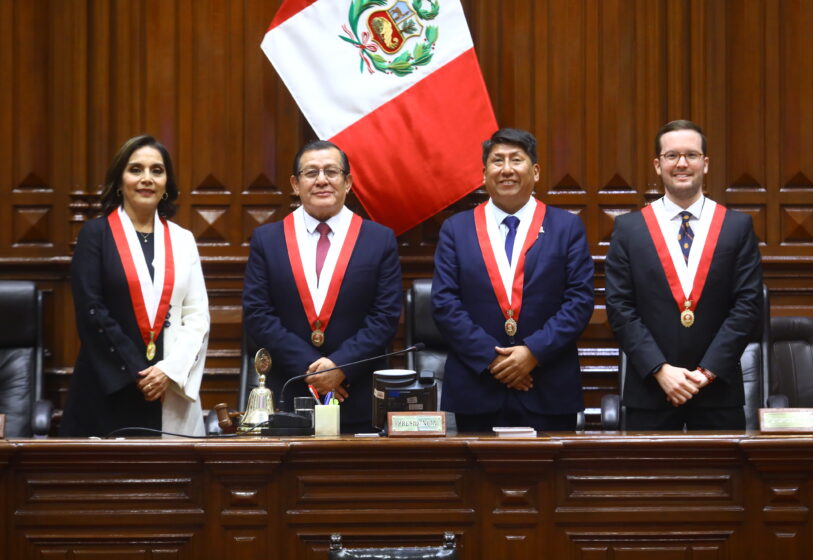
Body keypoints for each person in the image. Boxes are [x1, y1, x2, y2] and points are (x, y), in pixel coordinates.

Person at [431, 128, 595, 432]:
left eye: (516, 160)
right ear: (484, 174)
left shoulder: (566, 227)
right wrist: (494, 360)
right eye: (497, 161)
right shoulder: (456, 229)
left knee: (552, 480)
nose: (506, 169)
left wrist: (532, 353)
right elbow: (444, 303)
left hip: (547, 387)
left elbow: (579, 302)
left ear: (534, 171)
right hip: (477, 387)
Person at [605, 119, 763, 430]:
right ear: (657, 164)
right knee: (650, 480)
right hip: (651, 392)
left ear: (705, 164)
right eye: (671, 155)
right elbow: (620, 308)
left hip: (718, 393)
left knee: (723, 479)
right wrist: (661, 370)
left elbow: (747, 305)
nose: (681, 163)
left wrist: (706, 372)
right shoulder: (629, 229)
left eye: (691, 155)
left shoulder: (737, 227)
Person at [243, 140, 402, 433]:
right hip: (290, 396)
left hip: (357, 396)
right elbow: (258, 314)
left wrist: (341, 367)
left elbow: (385, 317)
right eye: (311, 172)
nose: (322, 180)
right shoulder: (268, 239)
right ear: (295, 183)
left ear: (348, 182)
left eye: (331, 171)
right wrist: (314, 370)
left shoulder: (379, 240)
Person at [60, 135, 210, 437]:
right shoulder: (95, 234)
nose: (147, 179)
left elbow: (197, 316)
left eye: (157, 170)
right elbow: (92, 310)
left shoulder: (183, 240)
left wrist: (168, 371)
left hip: (168, 385)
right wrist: (140, 372)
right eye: (136, 169)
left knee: (172, 480)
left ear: (167, 183)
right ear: (119, 180)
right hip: (109, 385)